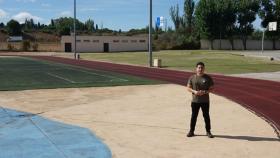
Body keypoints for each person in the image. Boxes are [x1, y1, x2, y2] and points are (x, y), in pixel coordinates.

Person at [186, 62, 214, 138]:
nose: (200, 69)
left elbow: (212, 89)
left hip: (205, 101)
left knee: (206, 116)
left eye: (202, 68)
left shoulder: (208, 78)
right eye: (199, 67)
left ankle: (208, 132)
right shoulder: (192, 78)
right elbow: (188, 88)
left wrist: (205, 92)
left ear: (204, 69)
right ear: (196, 69)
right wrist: (195, 92)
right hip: (195, 101)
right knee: (194, 116)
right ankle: (191, 131)